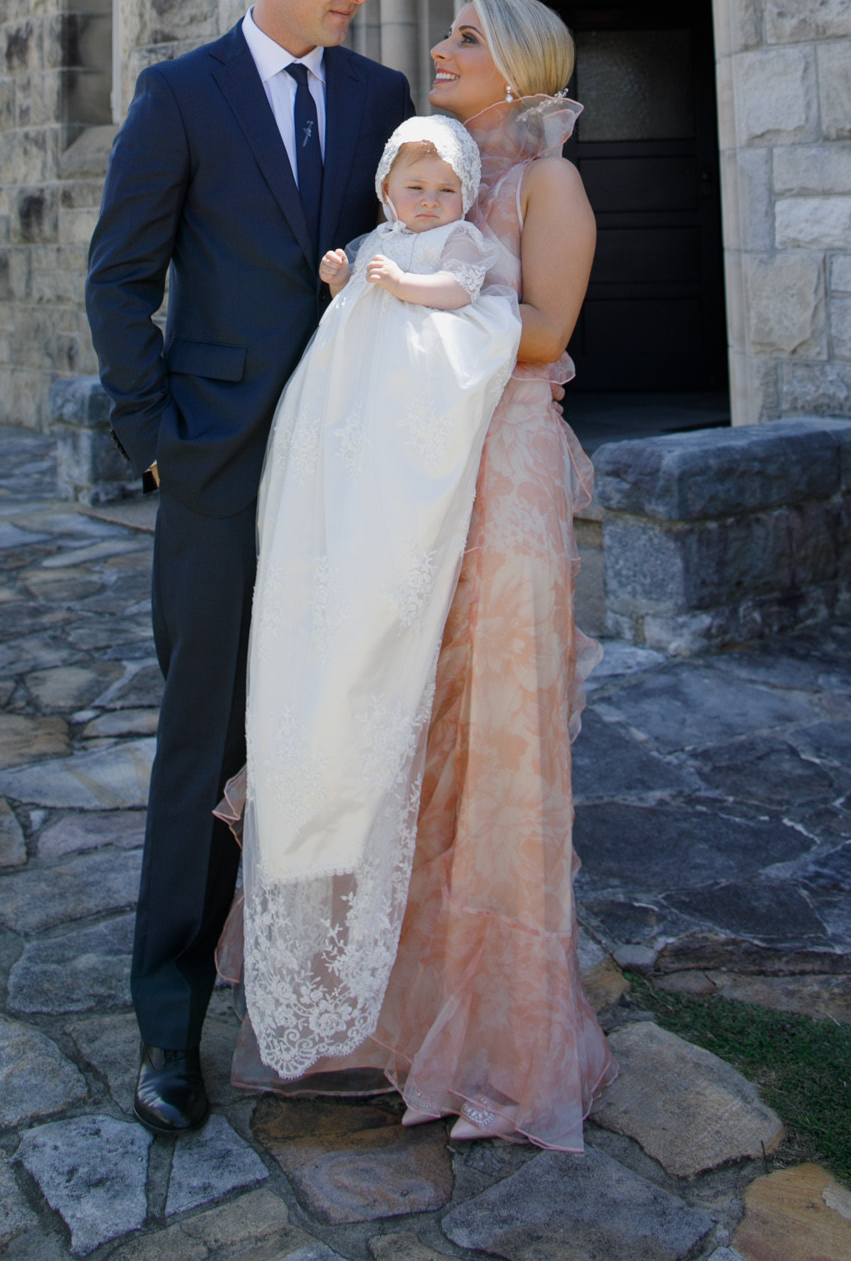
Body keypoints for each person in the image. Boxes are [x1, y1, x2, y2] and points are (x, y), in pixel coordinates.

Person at [230, 0, 611, 1150]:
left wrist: (438, 299)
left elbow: (544, 327)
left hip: (499, 475)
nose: (437, 50)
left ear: (518, 65)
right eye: (445, 33)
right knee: (404, 715)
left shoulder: (547, 184)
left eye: (463, 38)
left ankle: (498, 1038)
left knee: (490, 733)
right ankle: (386, 1005)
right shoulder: (426, 167)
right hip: (404, 484)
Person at [84, 0, 413, 1134]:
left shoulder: (382, 100)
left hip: (348, 485)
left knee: (340, 736)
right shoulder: (178, 94)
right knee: (201, 749)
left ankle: (323, 1001)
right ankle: (170, 1032)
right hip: (216, 478)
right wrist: (154, 438)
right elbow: (120, 278)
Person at [224, 115, 521, 1084]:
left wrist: (404, 284)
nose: (428, 204)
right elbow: (348, 292)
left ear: (462, 196)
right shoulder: (379, 239)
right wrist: (348, 277)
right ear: (389, 188)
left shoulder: (456, 245)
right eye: (414, 189)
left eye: (443, 191)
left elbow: (466, 295)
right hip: (344, 402)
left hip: (409, 400)